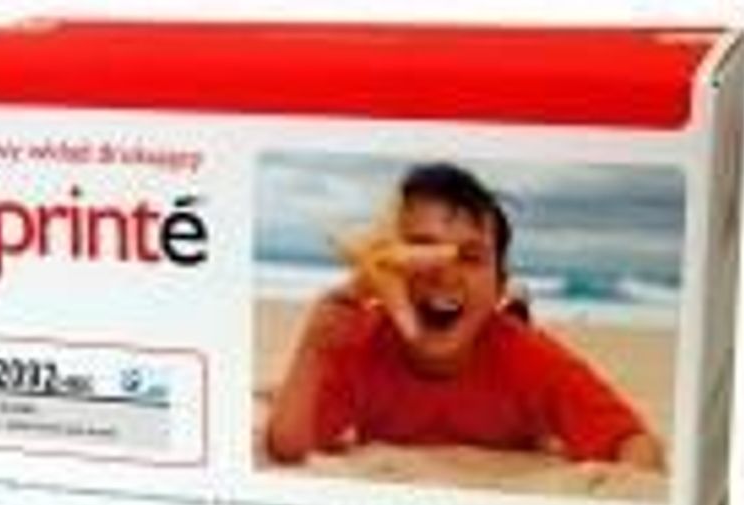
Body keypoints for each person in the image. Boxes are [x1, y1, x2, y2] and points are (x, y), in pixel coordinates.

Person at [265, 163, 665, 471]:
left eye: (470, 257)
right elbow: (288, 446)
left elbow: (635, 444)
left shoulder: (532, 358)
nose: (444, 271)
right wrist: (313, 349)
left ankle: (517, 307)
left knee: (515, 335)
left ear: (498, 283)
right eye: (421, 250)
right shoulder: (363, 343)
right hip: (475, 326)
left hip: (505, 339)